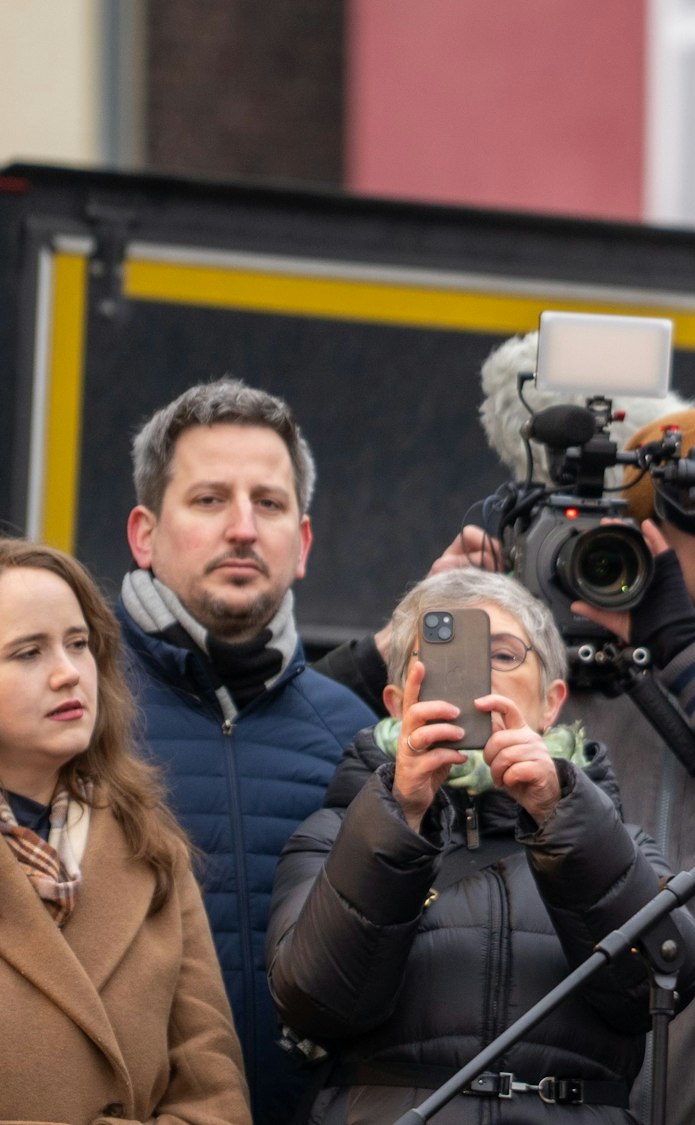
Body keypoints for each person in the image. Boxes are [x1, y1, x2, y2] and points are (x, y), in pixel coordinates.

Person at [313, 370, 695, 1124]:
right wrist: (418, 630)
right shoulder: (539, 706)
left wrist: (677, 640)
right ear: (638, 532)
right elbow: (311, 741)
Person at [268, 569, 680, 1123]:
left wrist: (559, 813)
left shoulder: (614, 840)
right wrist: (400, 813)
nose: (480, 674)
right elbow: (314, 1002)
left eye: (505, 654)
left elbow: (663, 983)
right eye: (448, 656)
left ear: (552, 702)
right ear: (397, 702)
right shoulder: (334, 834)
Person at [117, 378, 376, 1122]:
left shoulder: (355, 735)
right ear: (144, 534)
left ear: (303, 541)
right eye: (208, 500)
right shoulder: (79, 712)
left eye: (268, 503)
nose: (242, 528)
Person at [0, 539, 250, 1124]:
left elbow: (213, 1092)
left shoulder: (149, 843)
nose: (68, 674)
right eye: (28, 652)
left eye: (78, 644)